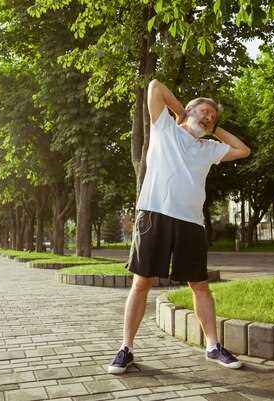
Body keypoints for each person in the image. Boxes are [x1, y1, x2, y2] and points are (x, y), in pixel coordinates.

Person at [108, 79, 251, 374]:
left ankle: (212, 346)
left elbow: (242, 150)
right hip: (154, 214)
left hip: (191, 223)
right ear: (188, 110)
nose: (209, 116)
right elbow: (154, 86)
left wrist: (213, 129)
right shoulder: (165, 128)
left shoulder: (210, 148)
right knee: (141, 282)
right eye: (204, 110)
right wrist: (180, 114)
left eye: (213, 115)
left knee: (199, 285)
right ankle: (126, 348)